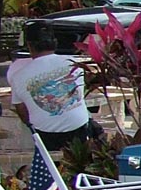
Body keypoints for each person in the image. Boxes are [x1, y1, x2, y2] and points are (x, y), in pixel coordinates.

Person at [9, 22, 102, 151]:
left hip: (46, 133)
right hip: (79, 128)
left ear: (29, 45)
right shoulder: (75, 64)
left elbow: (23, 114)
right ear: (55, 42)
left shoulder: (18, 76)